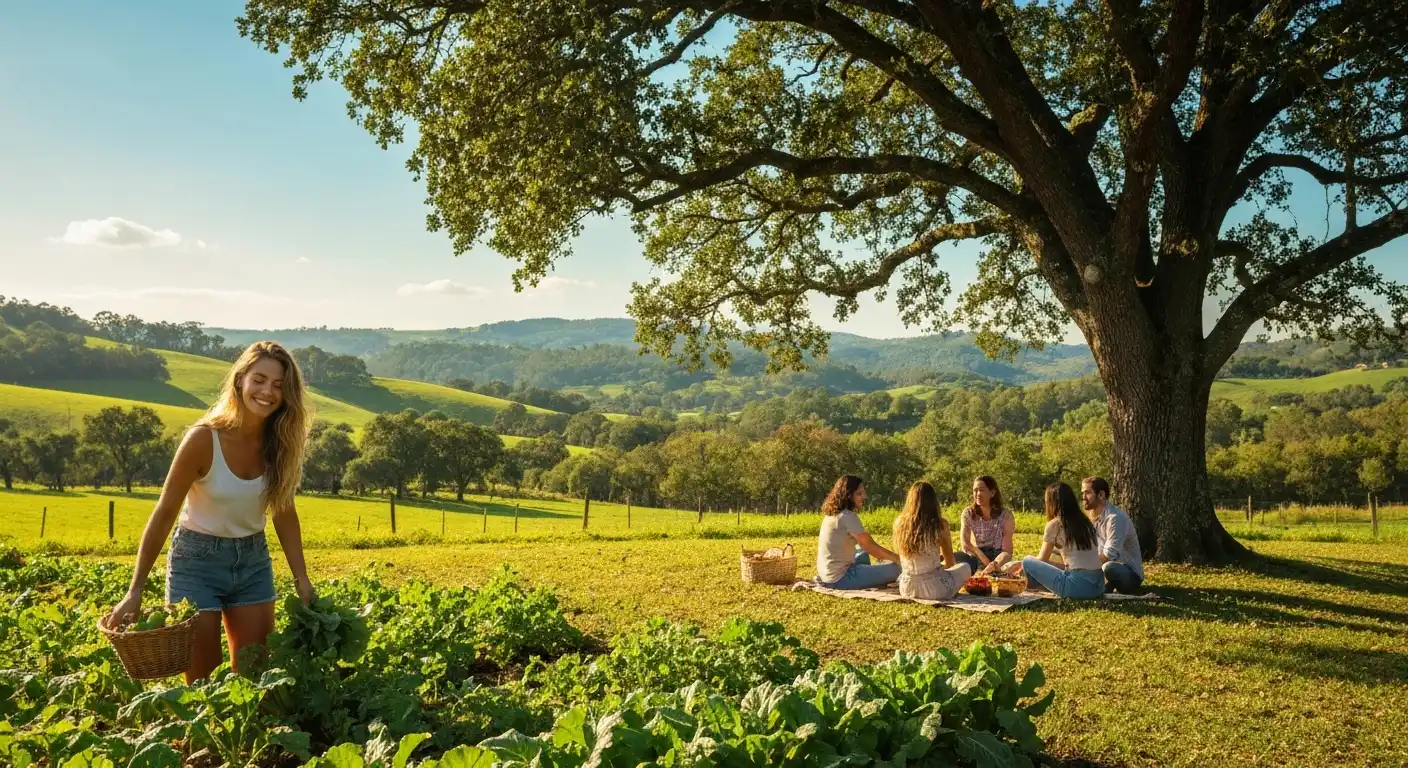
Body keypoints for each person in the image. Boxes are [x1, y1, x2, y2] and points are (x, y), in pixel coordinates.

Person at [106, 342, 316, 682]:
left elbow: (284, 512)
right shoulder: (204, 439)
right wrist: (135, 590)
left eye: (279, 385)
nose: (268, 392)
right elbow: (165, 512)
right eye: (259, 380)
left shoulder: (281, 444)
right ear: (240, 380)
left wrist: (301, 578)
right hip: (196, 563)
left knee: (253, 677)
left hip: (253, 563)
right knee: (202, 679)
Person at [1016, 483, 1104, 599]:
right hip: (1098, 587)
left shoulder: (1055, 524)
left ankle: (1032, 587)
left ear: (1052, 503)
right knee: (1055, 559)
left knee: (1027, 561)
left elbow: (1042, 559)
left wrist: (1021, 564)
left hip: (1075, 587)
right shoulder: (1086, 522)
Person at [814, 475, 900, 590]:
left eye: (863, 493)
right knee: (896, 568)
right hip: (840, 579)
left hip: (827, 575)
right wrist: (898, 559)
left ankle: (876, 570)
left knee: (862, 554)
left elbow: (865, 543)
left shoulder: (832, 514)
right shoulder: (847, 516)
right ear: (848, 495)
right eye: (859, 494)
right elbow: (870, 547)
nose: (864, 497)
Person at [892, 481, 972, 600]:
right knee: (965, 566)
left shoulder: (899, 523)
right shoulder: (940, 524)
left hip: (906, 588)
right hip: (934, 589)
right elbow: (950, 562)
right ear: (933, 501)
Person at [1081, 477, 1145, 594]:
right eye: (1083, 493)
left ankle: (1101, 585)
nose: (1083, 498)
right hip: (1099, 569)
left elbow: (1110, 554)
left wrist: (1084, 568)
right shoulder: (1088, 518)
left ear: (1101, 495)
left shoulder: (1115, 518)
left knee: (1109, 567)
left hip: (1128, 574)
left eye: (1088, 493)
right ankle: (1101, 585)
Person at [955, 476, 1014, 575]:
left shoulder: (1006, 515)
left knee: (1011, 563)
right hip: (976, 554)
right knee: (957, 557)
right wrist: (985, 560)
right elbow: (965, 543)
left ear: (992, 493)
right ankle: (988, 570)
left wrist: (995, 564)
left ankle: (995, 570)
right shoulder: (968, 513)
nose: (977, 494)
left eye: (981, 490)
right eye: (975, 490)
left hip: (998, 555)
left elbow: (1007, 551)